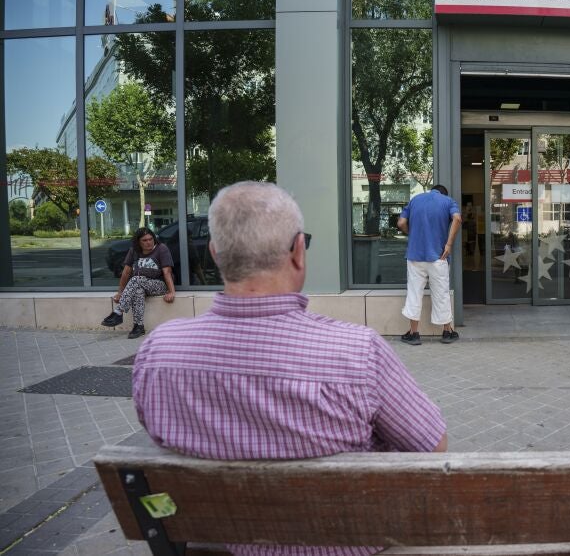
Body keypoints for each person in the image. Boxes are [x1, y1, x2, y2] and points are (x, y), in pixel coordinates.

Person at [133, 182, 447, 556]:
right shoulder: (357, 352)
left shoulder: (159, 352)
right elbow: (433, 448)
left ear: (215, 254)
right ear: (298, 250)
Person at [397, 184, 462, 345]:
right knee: (441, 293)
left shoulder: (415, 200)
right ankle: (447, 332)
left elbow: (401, 223)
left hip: (415, 256)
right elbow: (457, 219)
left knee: (414, 294)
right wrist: (448, 244)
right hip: (438, 256)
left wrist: (412, 233)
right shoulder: (448, 201)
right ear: (443, 193)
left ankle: (414, 334)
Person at [101, 227, 176, 339]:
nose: (148, 242)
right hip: (140, 284)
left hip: (160, 285)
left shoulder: (161, 248)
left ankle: (118, 312)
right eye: (144, 240)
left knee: (136, 279)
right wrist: (120, 292)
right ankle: (138, 326)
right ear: (138, 242)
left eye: (150, 239)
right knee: (138, 290)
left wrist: (171, 292)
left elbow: (167, 272)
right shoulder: (134, 251)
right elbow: (126, 272)